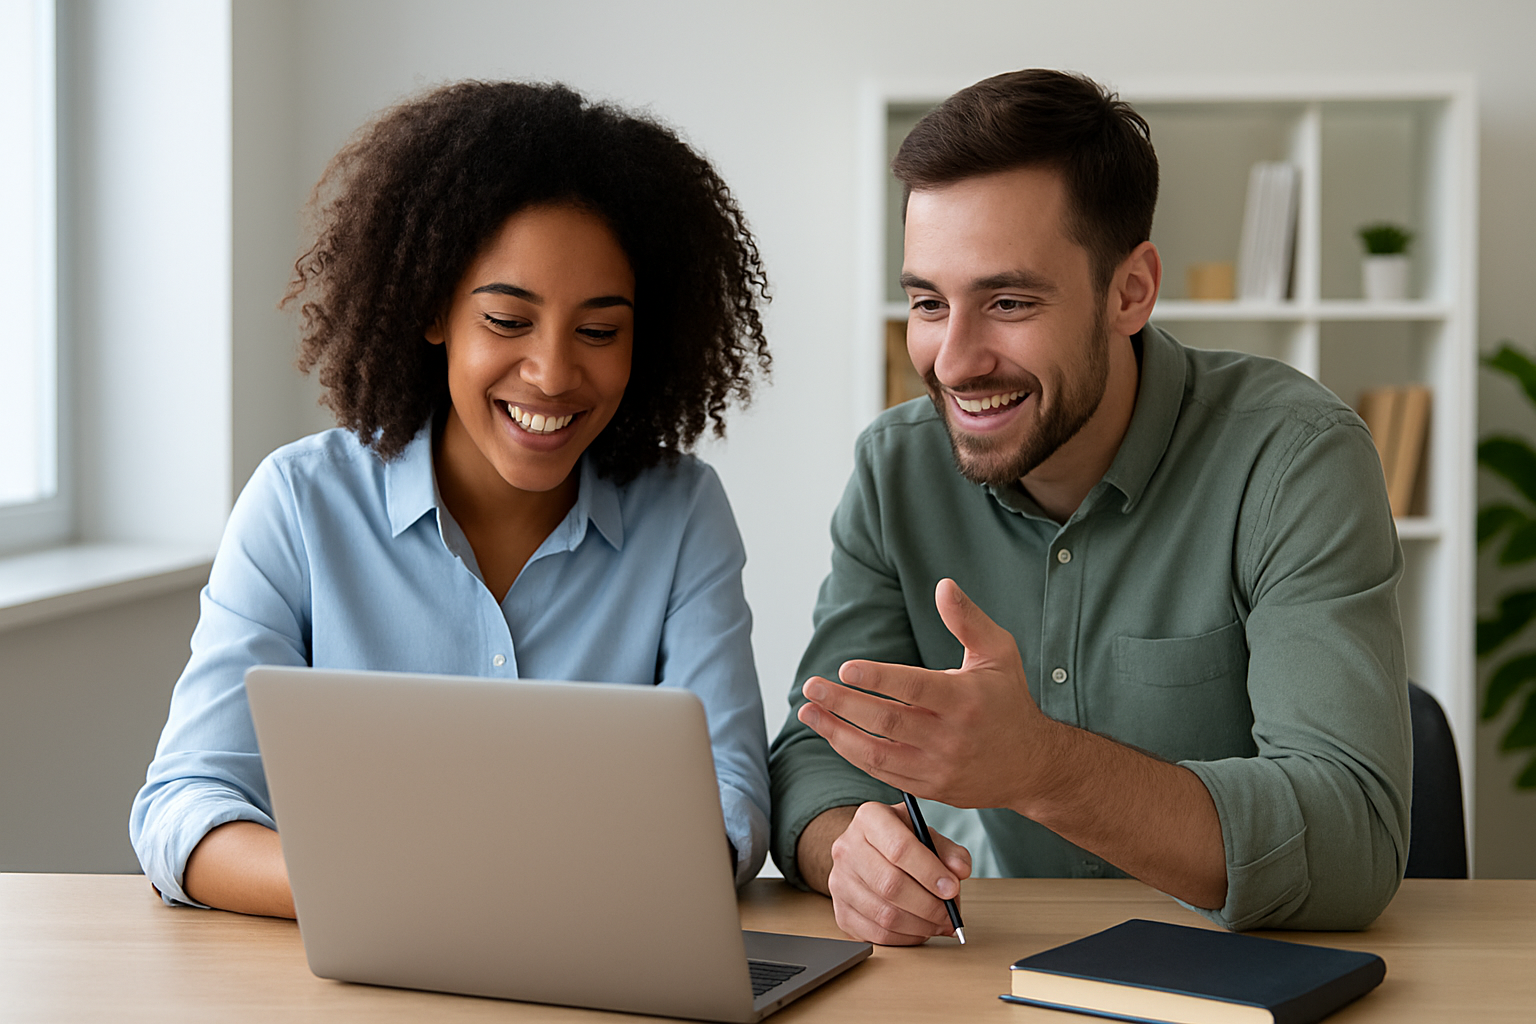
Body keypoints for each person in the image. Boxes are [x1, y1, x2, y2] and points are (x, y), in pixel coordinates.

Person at [769, 69, 1411, 941]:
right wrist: (852, 851)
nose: (953, 362)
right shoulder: (897, 470)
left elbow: (1353, 839)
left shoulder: (1294, 457)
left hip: (1243, 981)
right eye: (928, 303)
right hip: (997, 975)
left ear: (1130, 293)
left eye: (1008, 302)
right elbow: (816, 751)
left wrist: (1039, 767)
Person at [131, 81, 774, 917]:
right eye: (508, 321)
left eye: (599, 331)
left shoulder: (682, 514)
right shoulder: (298, 504)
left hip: (596, 967)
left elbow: (729, 802)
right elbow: (184, 808)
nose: (551, 373)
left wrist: (532, 897)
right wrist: (399, 894)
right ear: (434, 310)